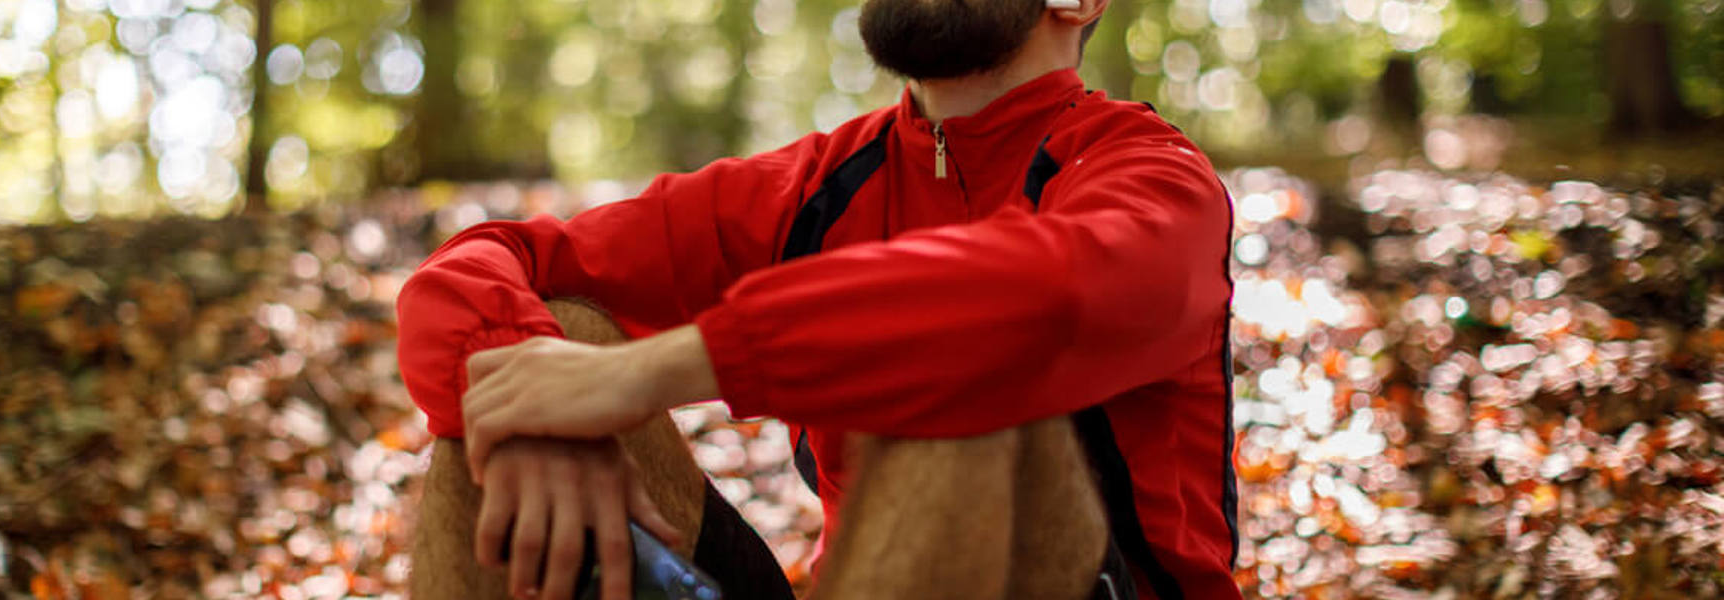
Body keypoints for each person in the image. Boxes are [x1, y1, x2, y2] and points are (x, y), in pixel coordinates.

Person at [395, 0, 1241, 597]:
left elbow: (1047, 295)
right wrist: (537, 419)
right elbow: (485, 261)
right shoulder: (814, 186)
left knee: (967, 372)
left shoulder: (1154, 177)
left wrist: (663, 368)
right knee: (522, 362)